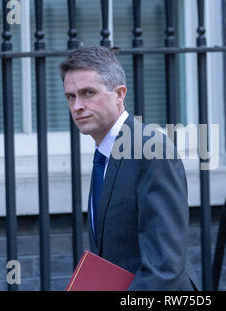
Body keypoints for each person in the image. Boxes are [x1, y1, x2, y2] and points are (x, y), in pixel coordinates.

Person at [59, 46, 199, 290]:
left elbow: (164, 267)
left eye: (88, 93)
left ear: (119, 94)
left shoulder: (150, 149)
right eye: (71, 96)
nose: (77, 106)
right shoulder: (104, 152)